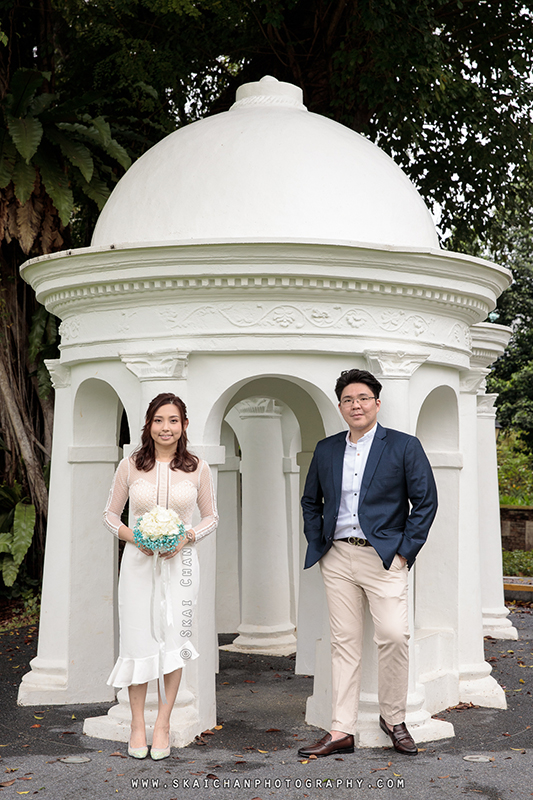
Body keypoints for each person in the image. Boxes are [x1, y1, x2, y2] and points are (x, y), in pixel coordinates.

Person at [298, 369, 437, 758]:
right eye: (347, 399)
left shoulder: (404, 447)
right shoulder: (326, 449)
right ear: (340, 406)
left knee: (394, 635)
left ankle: (394, 718)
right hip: (338, 556)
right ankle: (341, 729)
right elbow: (312, 501)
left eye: (362, 398)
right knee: (344, 645)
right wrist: (318, 541)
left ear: (377, 402)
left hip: (384, 557)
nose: (355, 405)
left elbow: (425, 502)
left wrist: (404, 551)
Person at [103, 393, 218, 760]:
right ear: (148, 425)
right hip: (138, 564)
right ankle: (138, 723)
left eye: (173, 420)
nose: (165, 428)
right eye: (158, 420)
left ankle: (163, 723)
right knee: (138, 642)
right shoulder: (130, 465)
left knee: (174, 638)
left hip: (181, 565)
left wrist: (187, 536)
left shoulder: (198, 467)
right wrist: (134, 536)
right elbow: (109, 515)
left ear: (184, 425)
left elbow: (211, 517)